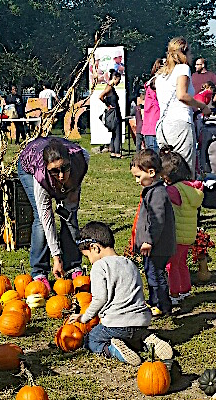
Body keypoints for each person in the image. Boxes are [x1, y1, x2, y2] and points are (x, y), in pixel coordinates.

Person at [70, 221, 173, 366]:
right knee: (132, 338)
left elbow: (100, 299)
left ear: (95, 248)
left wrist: (84, 318)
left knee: (91, 339)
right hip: (140, 323)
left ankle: (112, 349)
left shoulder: (100, 266)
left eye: (88, 256)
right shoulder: (129, 263)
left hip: (115, 325)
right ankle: (147, 341)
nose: (90, 261)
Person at [18, 136, 89, 284]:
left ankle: (73, 265)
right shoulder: (40, 175)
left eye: (65, 168)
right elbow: (47, 218)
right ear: (47, 168)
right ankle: (39, 271)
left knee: (70, 216)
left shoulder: (80, 160)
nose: (62, 175)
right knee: (40, 220)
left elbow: (71, 205)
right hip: (28, 164)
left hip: (61, 160)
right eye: (55, 171)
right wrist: (56, 257)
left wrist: (69, 199)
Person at [129, 149, 176, 316]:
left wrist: (148, 240)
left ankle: (162, 304)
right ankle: (155, 301)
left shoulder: (157, 194)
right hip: (153, 246)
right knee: (152, 274)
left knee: (156, 275)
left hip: (158, 246)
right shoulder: (152, 190)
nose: (136, 181)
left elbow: (157, 221)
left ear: (151, 172)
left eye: (138, 176)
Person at [154, 37, 210, 170]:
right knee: (185, 169)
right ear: (184, 52)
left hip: (162, 126)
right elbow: (182, 95)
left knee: (167, 170)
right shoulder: (183, 69)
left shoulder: (161, 74)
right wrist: (202, 106)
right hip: (180, 124)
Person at [160, 148, 203, 303]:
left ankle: (174, 294)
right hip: (189, 233)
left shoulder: (173, 191)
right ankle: (185, 289)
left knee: (172, 266)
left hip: (177, 234)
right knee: (182, 263)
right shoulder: (191, 188)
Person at [98, 71, 123, 158]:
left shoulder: (110, 87)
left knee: (114, 133)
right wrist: (108, 105)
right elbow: (101, 96)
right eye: (118, 80)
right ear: (114, 78)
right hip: (114, 113)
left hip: (115, 112)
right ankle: (117, 153)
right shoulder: (109, 87)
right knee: (117, 132)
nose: (119, 82)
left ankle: (113, 151)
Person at [141, 59, 162, 153]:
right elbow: (158, 105)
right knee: (155, 157)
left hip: (151, 126)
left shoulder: (151, 83)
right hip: (154, 126)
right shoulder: (155, 84)